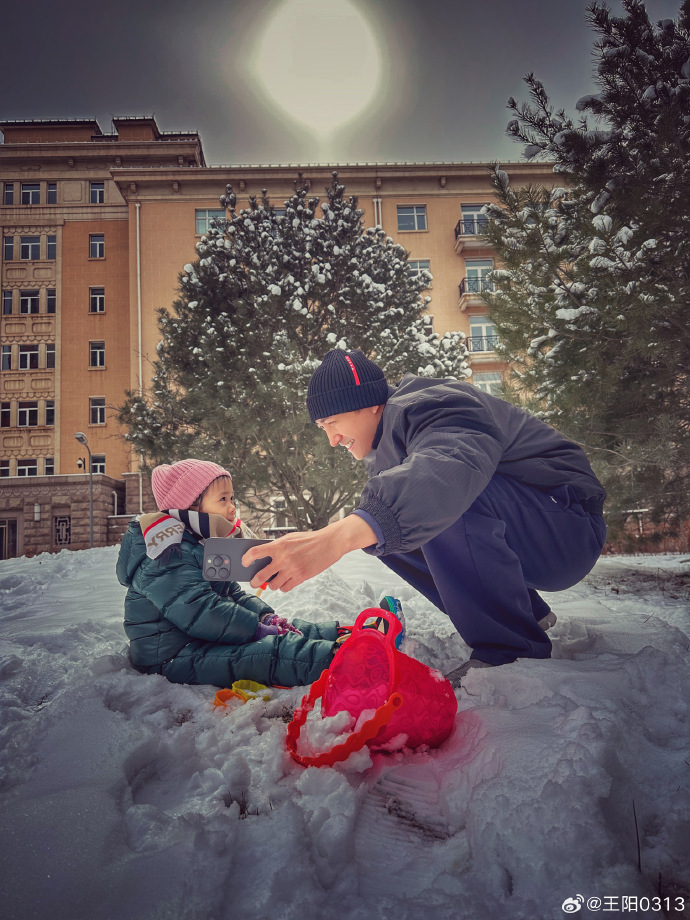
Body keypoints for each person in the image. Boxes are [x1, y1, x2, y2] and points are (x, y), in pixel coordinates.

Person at [243, 349, 607, 685]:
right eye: (322, 428)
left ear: (368, 404)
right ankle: (523, 614)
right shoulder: (392, 445)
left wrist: (335, 539)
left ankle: (510, 650)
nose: (332, 440)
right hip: (539, 526)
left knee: (426, 497)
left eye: (332, 422)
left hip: (568, 525)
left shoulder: (435, 404)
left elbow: (449, 467)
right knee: (388, 528)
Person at [116, 458, 342, 688]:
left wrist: (264, 617)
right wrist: (255, 629)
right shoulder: (165, 552)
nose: (232, 506)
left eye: (232, 498)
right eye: (223, 499)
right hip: (171, 657)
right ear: (190, 506)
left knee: (283, 630)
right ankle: (340, 661)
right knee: (266, 654)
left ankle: (341, 636)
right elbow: (201, 610)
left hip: (202, 639)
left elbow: (231, 593)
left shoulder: (199, 544)